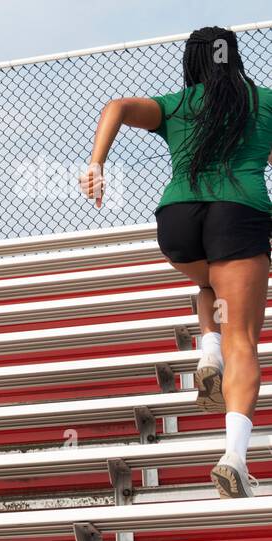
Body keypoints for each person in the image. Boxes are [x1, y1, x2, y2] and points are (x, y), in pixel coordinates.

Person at [80, 26, 272, 498]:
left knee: (211, 281)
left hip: (178, 223)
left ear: (194, 61)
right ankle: (234, 459)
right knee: (244, 340)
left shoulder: (180, 104)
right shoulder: (264, 101)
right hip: (238, 213)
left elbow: (117, 107)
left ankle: (208, 351)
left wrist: (96, 164)